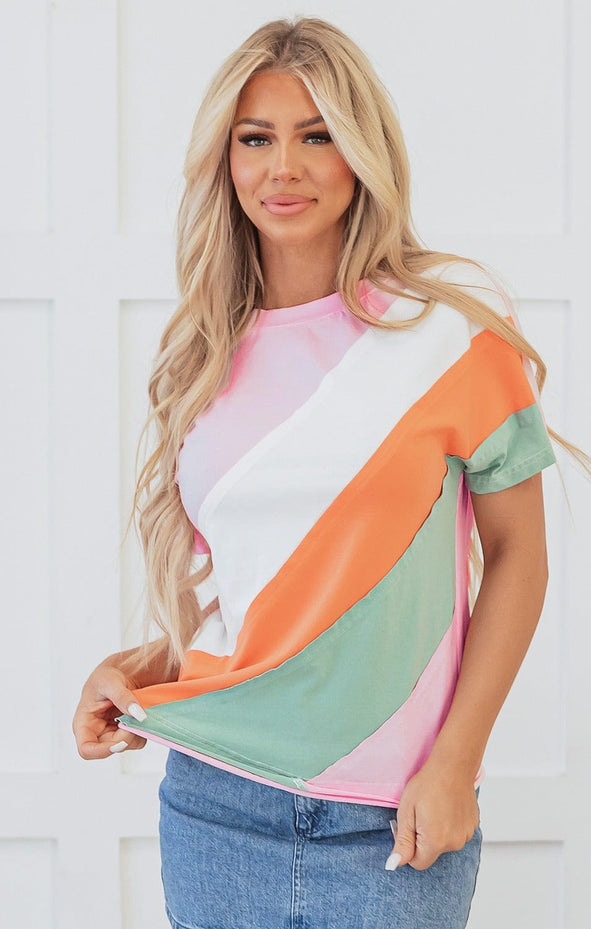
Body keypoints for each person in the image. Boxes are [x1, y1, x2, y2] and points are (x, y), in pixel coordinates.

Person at [73, 16, 559, 929]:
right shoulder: (202, 354)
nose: (283, 167)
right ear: (226, 159)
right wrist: (147, 663)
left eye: (317, 136)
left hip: (394, 817)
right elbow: (270, 589)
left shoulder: (450, 333)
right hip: (215, 806)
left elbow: (519, 558)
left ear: (362, 152)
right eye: (256, 139)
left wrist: (457, 762)